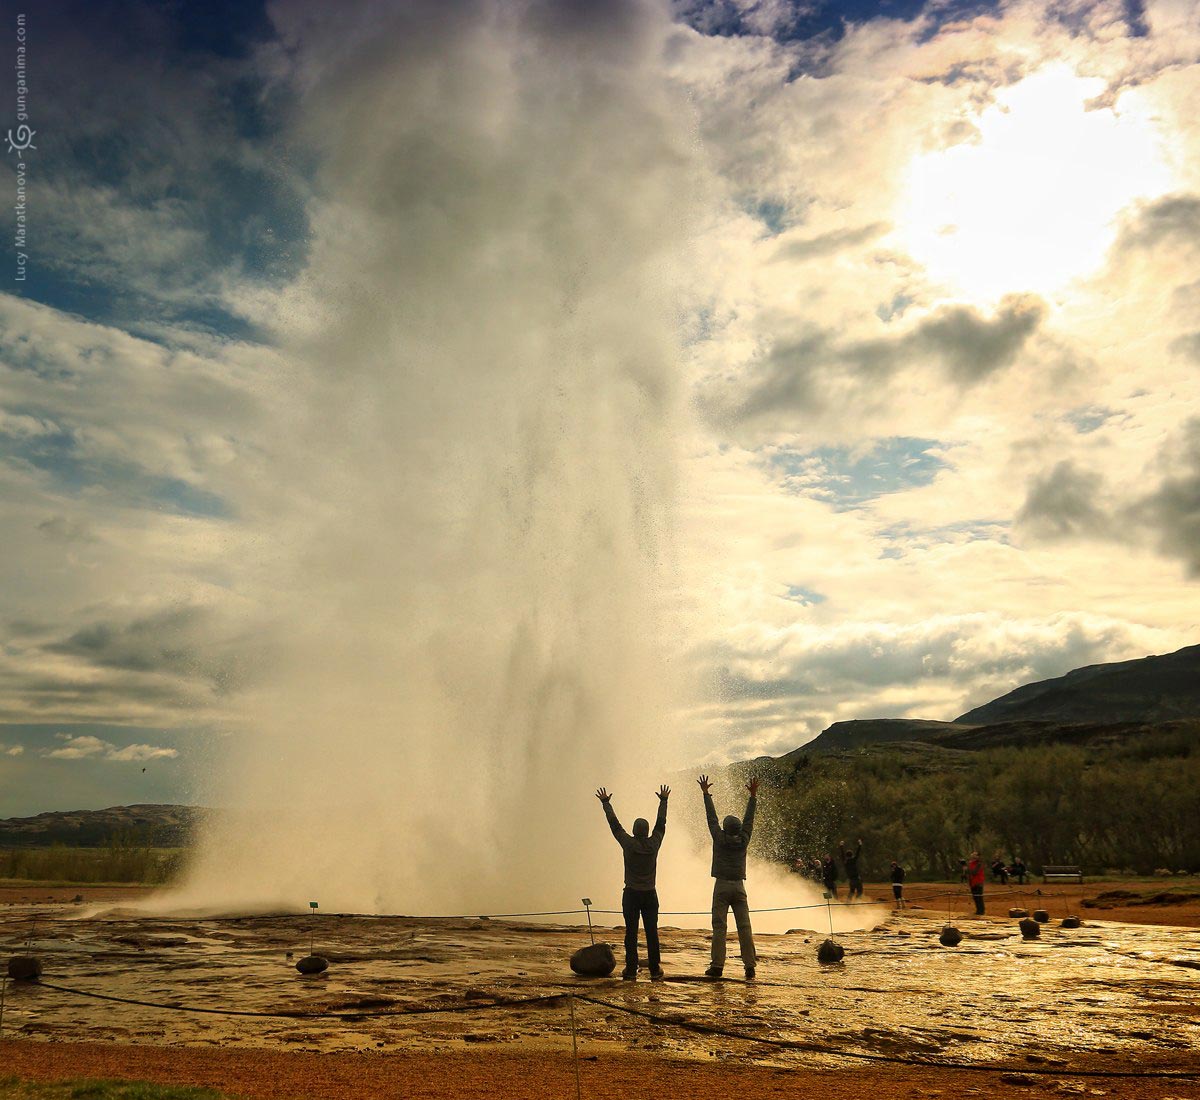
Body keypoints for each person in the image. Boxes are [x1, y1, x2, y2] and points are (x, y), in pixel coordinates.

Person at [595, 784, 670, 981]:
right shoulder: (654, 844)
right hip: (650, 894)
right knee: (652, 933)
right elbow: (661, 824)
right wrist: (663, 801)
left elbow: (615, 825)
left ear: (634, 831)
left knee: (631, 933)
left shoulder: (628, 843)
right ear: (646, 832)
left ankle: (630, 970)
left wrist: (606, 803)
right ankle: (655, 969)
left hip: (631, 894)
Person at [699, 773, 758, 980]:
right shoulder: (744, 839)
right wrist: (753, 797)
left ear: (725, 828)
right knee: (744, 927)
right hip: (740, 887)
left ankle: (717, 966)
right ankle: (749, 966)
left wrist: (706, 794)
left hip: (722, 886)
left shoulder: (719, 837)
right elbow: (750, 820)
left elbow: (711, 819)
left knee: (719, 928)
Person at [965, 850, 985, 915]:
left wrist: (967, 869)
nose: (973, 855)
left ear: (978, 856)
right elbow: (968, 872)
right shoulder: (970, 863)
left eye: (975, 855)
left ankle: (981, 911)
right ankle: (978, 910)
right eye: (973, 854)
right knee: (975, 897)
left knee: (979, 897)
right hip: (972, 882)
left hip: (978, 882)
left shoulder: (979, 863)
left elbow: (974, 872)